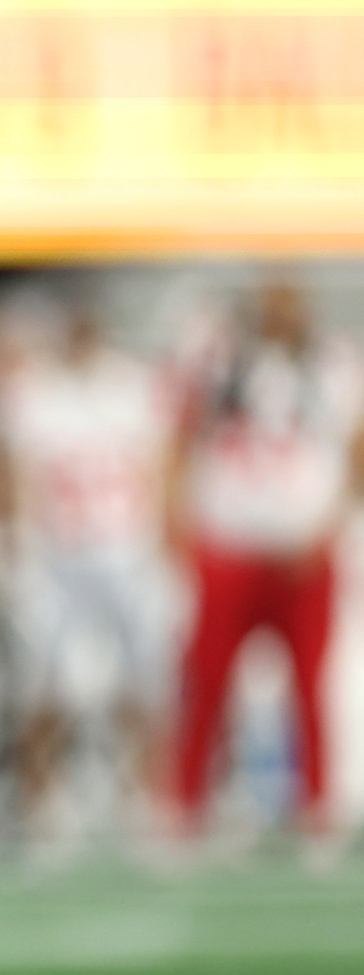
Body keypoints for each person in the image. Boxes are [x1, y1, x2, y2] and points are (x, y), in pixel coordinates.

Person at [166, 277, 364, 842]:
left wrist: (328, 527)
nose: (280, 313)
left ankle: (317, 810)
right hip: (229, 546)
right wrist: (179, 525)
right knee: (206, 683)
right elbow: (181, 440)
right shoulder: (222, 362)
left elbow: (356, 450)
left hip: (302, 550)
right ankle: (186, 810)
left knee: (309, 687)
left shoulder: (332, 366)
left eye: (290, 301)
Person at [0, 299, 175, 845]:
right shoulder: (33, 391)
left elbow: (162, 467)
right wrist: (19, 544)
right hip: (56, 552)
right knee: (43, 684)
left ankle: (147, 800)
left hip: (125, 547)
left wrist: (166, 541)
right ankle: (42, 805)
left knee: (144, 682)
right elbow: (16, 473)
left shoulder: (133, 385)